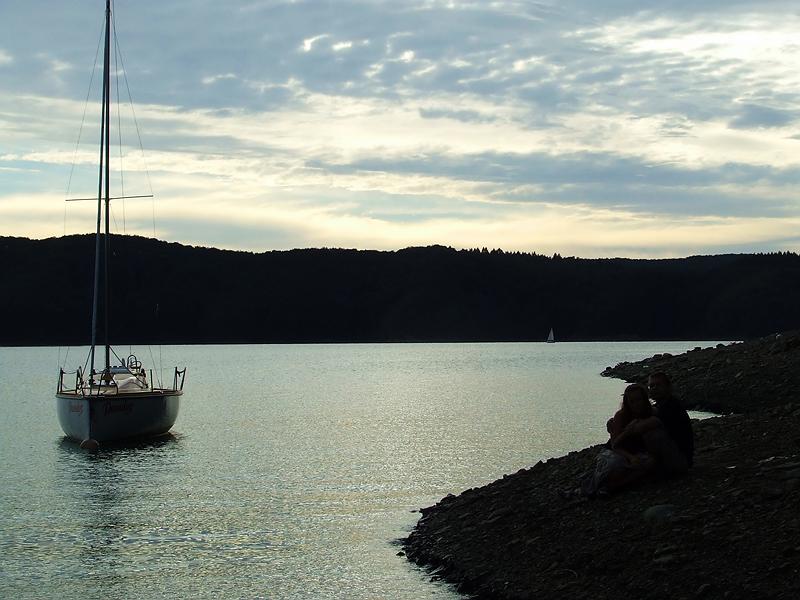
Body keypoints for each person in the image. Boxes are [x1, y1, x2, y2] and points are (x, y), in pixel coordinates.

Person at [575, 383, 656, 498]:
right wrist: (628, 434)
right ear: (627, 403)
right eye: (632, 401)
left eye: (639, 399)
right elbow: (615, 445)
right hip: (616, 451)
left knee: (649, 463)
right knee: (615, 464)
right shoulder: (620, 416)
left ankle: (611, 486)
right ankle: (597, 486)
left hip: (637, 452)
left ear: (645, 399)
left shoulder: (651, 413)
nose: (636, 404)